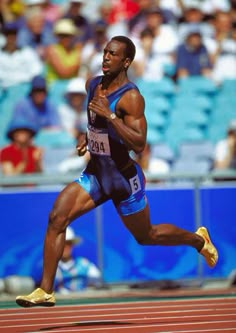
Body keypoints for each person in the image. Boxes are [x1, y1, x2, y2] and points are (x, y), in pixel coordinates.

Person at [15, 35, 218, 308]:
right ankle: (45, 290)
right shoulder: (92, 84)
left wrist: (110, 117)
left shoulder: (131, 98)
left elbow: (139, 144)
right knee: (56, 218)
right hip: (97, 175)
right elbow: (93, 124)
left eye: (113, 54)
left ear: (126, 61)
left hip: (124, 180)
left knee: (148, 236)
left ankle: (197, 239)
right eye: (104, 52)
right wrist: (86, 137)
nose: (106, 57)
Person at [54, 226, 102, 294]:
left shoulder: (85, 265)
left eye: (68, 243)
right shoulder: (49, 268)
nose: (65, 247)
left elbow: (99, 284)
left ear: (72, 245)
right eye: (62, 244)